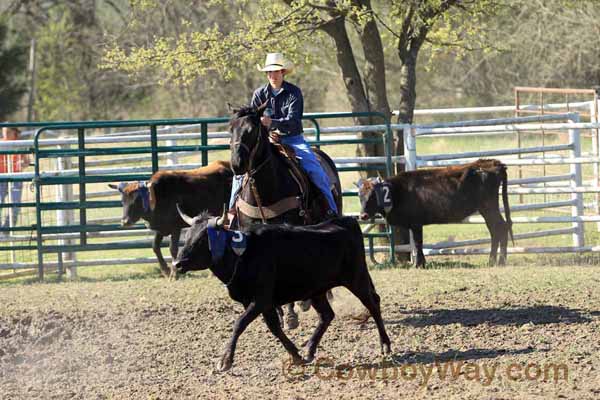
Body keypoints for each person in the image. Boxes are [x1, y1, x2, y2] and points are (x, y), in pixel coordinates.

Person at [229, 52, 338, 216]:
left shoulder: (294, 93)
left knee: (315, 170)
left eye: (276, 71)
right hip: (267, 141)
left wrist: (272, 123)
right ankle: (232, 212)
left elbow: (294, 122)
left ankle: (331, 211)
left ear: (283, 72)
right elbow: (253, 121)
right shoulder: (259, 94)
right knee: (240, 173)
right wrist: (265, 130)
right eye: (269, 72)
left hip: (293, 140)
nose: (272, 75)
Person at [0, 126, 30, 230]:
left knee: (15, 205)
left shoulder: (19, 145)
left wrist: (22, 164)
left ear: (14, 133)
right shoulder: (0, 143)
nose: (6, 134)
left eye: (8, 132)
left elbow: (26, 161)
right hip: (1, 178)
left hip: (16, 178)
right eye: (4, 132)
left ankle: (7, 229)